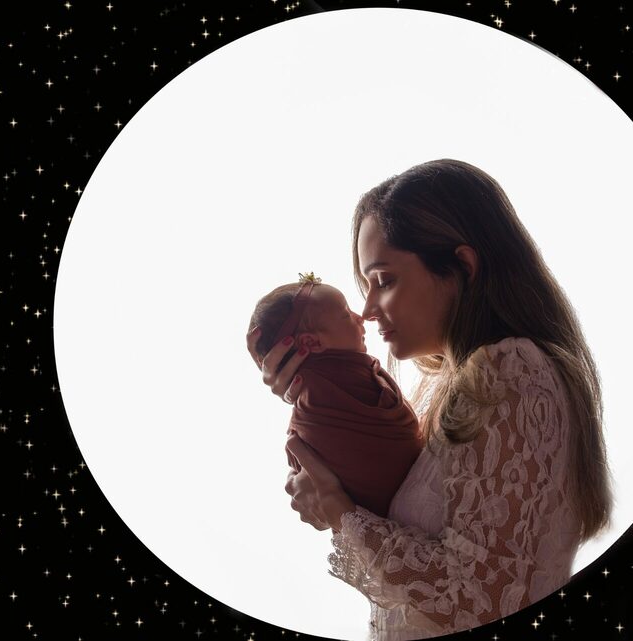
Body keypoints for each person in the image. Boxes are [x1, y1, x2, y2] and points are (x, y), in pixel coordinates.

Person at [247, 159, 612, 640]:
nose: (367, 309)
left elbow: (483, 599)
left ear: (462, 267)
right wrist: (319, 390)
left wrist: (338, 511)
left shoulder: (511, 372)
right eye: (366, 285)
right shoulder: (445, 387)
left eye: (384, 280)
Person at [249, 272, 423, 518]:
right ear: (312, 342)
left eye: (386, 281)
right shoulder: (334, 384)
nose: (361, 316)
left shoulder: (321, 388)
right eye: (346, 314)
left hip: (380, 515)